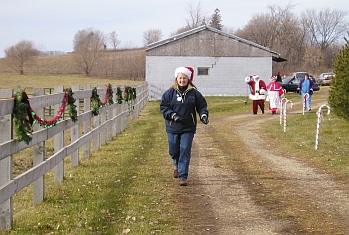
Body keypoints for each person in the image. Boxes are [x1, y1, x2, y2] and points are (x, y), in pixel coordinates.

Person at [160, 66, 209, 186]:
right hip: (173, 127)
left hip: (188, 127)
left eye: (184, 78)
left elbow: (202, 106)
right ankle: (177, 165)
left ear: (188, 79)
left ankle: (183, 176)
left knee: (185, 150)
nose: (182, 80)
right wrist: (173, 115)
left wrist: (203, 115)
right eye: (180, 78)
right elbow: (164, 107)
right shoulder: (169, 93)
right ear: (177, 79)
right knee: (174, 151)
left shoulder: (194, 94)